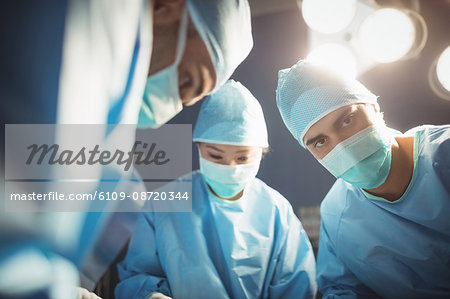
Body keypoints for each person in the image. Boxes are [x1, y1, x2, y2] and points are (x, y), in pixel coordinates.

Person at [0, 0, 252, 297]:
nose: (174, 104)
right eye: (186, 80)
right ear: (167, 7)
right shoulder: (99, 15)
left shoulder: (118, 155)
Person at [115, 80, 317, 299]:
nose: (229, 167)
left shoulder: (276, 210)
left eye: (242, 157)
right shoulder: (165, 203)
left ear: (262, 152)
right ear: (198, 147)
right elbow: (136, 277)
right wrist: (150, 296)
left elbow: (297, 286)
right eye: (216, 156)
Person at [275, 60, 450, 298]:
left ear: (374, 107)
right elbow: (342, 289)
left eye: (347, 120)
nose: (343, 146)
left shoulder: (444, 154)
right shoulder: (336, 213)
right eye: (320, 141)